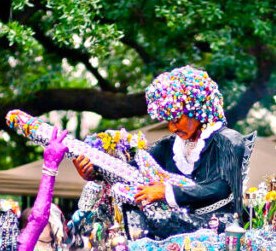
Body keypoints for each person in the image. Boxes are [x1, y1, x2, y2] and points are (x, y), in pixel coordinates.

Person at [74, 66, 250, 236]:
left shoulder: (229, 140)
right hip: (172, 226)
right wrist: (94, 171)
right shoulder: (168, 146)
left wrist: (166, 192)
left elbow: (220, 188)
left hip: (219, 227)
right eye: (168, 121)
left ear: (197, 110)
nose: (172, 128)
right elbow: (131, 168)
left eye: (176, 119)